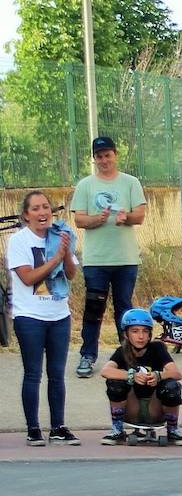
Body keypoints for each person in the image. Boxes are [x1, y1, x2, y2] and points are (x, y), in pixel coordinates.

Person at [8, 190, 80, 445]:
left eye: (46, 207)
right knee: (33, 373)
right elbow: (28, 278)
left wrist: (67, 252)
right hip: (29, 316)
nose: (42, 213)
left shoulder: (60, 235)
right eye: (36, 208)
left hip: (59, 314)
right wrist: (57, 258)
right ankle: (33, 428)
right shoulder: (19, 241)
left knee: (57, 374)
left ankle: (58, 426)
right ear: (26, 215)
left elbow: (70, 275)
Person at [71, 136, 147, 379]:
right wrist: (97, 220)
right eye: (99, 156)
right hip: (96, 260)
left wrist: (128, 217)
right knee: (94, 309)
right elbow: (79, 219)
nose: (104, 160)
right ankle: (88, 355)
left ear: (115, 155)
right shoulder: (85, 185)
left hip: (125, 259)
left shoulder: (130, 182)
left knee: (124, 310)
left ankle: (127, 358)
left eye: (108, 155)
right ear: (94, 159)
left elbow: (140, 215)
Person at [98, 308, 182, 445]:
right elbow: (105, 371)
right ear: (126, 334)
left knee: (172, 386)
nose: (141, 336)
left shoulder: (157, 348)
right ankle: (117, 430)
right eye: (135, 331)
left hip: (155, 406)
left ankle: (173, 430)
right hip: (132, 407)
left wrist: (159, 375)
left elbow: (176, 373)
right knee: (115, 383)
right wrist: (131, 375)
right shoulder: (122, 351)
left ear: (150, 334)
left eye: (145, 331)